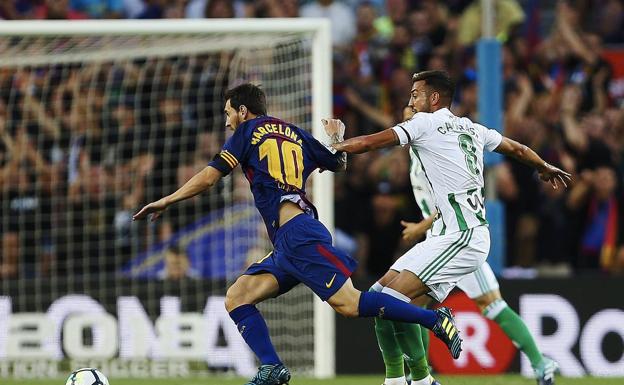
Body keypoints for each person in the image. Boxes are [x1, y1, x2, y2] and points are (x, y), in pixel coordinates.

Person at [133, 83, 462, 385]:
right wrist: (335, 138)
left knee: (350, 304)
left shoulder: (247, 131)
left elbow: (208, 178)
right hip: (289, 241)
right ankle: (271, 367)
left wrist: (166, 199)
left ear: (243, 111)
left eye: (228, 113)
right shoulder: (294, 132)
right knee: (237, 297)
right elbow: (338, 162)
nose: (227, 122)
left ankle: (433, 320)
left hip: (299, 236)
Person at [324, 70, 571, 385]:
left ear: (433, 98)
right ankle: (397, 380)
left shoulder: (425, 124)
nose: (410, 102)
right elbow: (518, 149)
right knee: (377, 296)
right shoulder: (471, 128)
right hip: (443, 240)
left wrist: (335, 143)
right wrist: (543, 166)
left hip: (462, 236)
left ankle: (425, 376)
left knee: (398, 301)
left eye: (415, 95)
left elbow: (373, 142)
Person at [372, 108, 559, 385]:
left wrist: (420, 227)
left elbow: (450, 200)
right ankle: (417, 375)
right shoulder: (417, 155)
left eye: (413, 115)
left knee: (490, 304)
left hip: (456, 239)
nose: (408, 121)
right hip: (439, 241)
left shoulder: (438, 150)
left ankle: (539, 362)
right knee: (411, 304)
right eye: (405, 117)